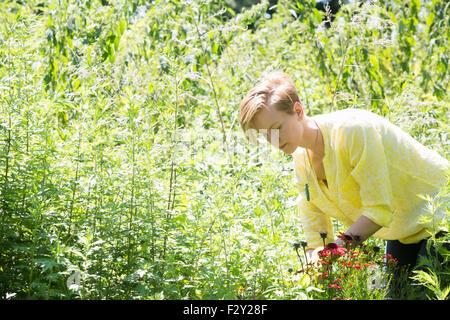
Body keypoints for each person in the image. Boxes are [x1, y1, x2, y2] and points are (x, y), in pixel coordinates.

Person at [239, 71, 449, 298]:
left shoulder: (353, 131)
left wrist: (330, 255)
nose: (274, 141)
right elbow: (315, 232)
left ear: (298, 111)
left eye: (277, 128)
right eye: (265, 134)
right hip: (404, 230)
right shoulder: (301, 161)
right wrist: (311, 267)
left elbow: (379, 210)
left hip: (441, 214)